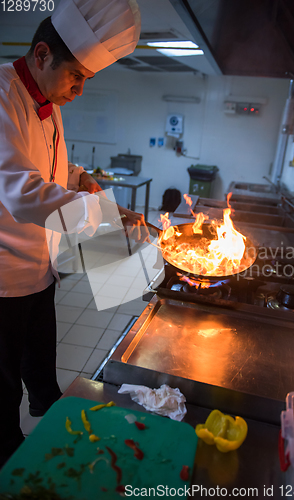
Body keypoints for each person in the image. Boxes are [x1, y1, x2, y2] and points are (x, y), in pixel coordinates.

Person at [0, 0, 143, 468]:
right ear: (42, 55)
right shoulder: (2, 95)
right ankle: (12, 467)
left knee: (41, 371)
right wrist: (102, 214)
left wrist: (78, 177)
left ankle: (54, 429)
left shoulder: (47, 101)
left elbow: (48, 164)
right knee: (3, 390)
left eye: (86, 81)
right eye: (76, 77)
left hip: (40, 273)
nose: (79, 91)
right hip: (4, 280)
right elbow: (23, 193)